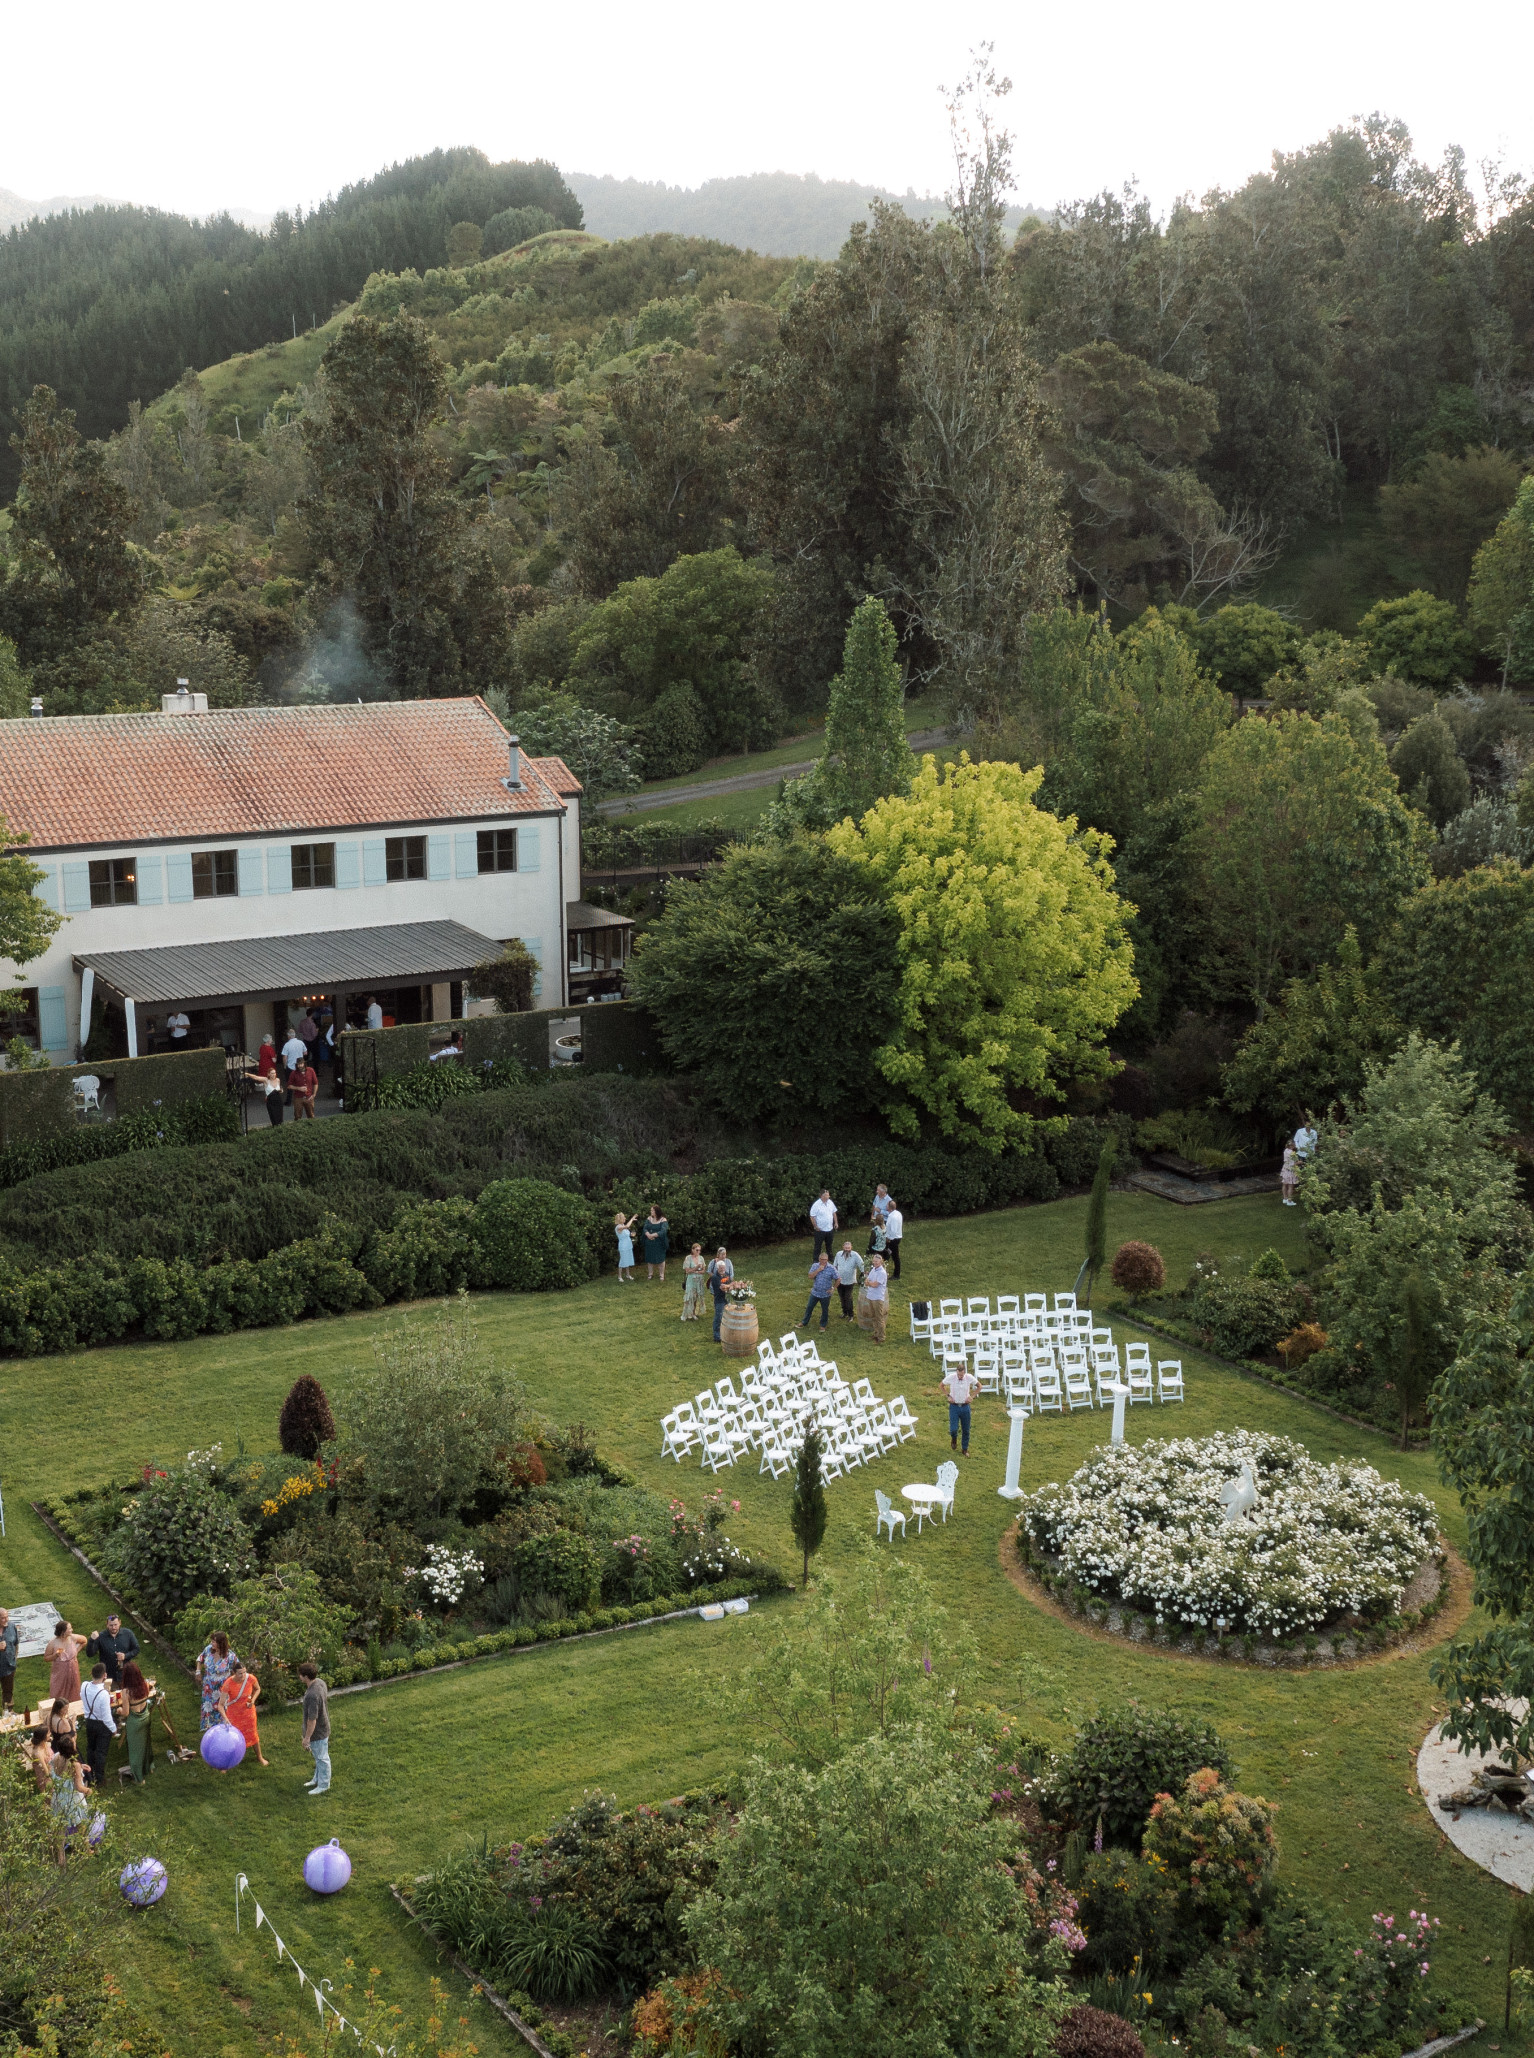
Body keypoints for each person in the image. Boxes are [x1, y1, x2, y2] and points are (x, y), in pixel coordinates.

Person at [219, 1660, 267, 1766]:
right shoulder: (228, 1684)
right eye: (240, 1673)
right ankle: (229, 1761)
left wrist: (253, 1700)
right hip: (234, 1715)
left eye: (244, 1672)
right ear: (234, 1673)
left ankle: (259, 1757)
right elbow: (220, 1705)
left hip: (248, 1713)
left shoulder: (250, 1678)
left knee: (253, 1734)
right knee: (232, 1738)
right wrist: (226, 1718)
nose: (243, 1675)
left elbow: (258, 1689)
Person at [80, 1663, 117, 1789]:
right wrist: (113, 1729)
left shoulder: (84, 1686)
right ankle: (99, 1779)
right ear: (104, 1676)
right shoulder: (103, 1694)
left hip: (89, 1722)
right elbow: (106, 1717)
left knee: (91, 1749)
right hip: (101, 1725)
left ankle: (89, 1776)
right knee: (100, 1752)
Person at [298, 1660, 331, 1794]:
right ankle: (317, 1779)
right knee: (319, 1757)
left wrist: (307, 1738)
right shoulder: (320, 1682)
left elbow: (312, 1719)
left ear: (305, 1677)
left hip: (318, 1732)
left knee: (322, 1758)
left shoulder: (312, 1695)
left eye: (300, 1675)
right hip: (324, 1727)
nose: (299, 1677)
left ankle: (324, 1785)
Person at [196, 1631, 237, 1733]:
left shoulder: (230, 1656)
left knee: (222, 1707)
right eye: (212, 1641)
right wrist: (198, 1671)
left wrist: (235, 1684)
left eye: (214, 1641)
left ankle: (223, 1731)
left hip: (222, 1688)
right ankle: (209, 1730)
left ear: (221, 1643)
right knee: (208, 1707)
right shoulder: (208, 1650)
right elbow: (200, 1658)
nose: (211, 1643)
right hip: (208, 1687)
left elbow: (237, 1669)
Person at [121, 1660, 154, 1785]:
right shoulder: (145, 1684)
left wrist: (118, 1710)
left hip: (134, 1722)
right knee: (145, 1745)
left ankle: (139, 1779)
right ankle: (148, 1767)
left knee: (135, 1751)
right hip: (146, 1716)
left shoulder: (127, 1692)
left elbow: (125, 1712)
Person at [92, 1613, 140, 1687]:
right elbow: (90, 1653)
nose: (113, 1627)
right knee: (110, 1698)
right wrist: (91, 1640)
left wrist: (125, 1656)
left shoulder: (128, 1633)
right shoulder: (101, 1637)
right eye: (111, 1625)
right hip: (109, 1677)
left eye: (115, 1625)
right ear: (107, 1624)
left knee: (126, 1697)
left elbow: (136, 1649)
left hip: (125, 1675)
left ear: (120, 1623)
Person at [44, 1621, 86, 1705]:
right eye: (69, 1628)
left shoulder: (73, 1638)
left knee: (73, 1688)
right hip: (60, 1670)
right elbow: (46, 1658)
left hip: (73, 1668)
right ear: (63, 1631)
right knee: (58, 1688)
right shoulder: (53, 1643)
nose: (72, 1630)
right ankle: (58, 1707)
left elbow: (84, 1640)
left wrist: (76, 1651)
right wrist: (55, 1656)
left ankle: (74, 1707)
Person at [943, 1357, 977, 1455]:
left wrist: (972, 1396)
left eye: (961, 1375)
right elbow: (941, 1385)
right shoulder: (952, 1377)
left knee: (966, 1429)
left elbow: (979, 1386)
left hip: (965, 1406)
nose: (960, 1376)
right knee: (953, 1429)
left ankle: (964, 1449)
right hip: (954, 1406)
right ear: (956, 1372)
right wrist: (948, 1395)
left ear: (964, 1373)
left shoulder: (969, 1377)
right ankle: (954, 1439)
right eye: (958, 1374)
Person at [248, 1045, 284, 1126]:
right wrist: (247, 1074)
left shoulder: (278, 1080)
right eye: (271, 1074)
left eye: (274, 1073)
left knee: (280, 1119)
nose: (273, 1075)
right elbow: (256, 1077)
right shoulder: (266, 1080)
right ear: (268, 1074)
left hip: (278, 1101)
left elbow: (280, 1090)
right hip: (270, 1101)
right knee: (274, 1119)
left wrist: (281, 1090)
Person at [802, 1251, 837, 1331]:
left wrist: (833, 1288)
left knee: (825, 1310)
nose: (824, 1261)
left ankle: (823, 1325)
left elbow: (838, 1278)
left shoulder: (831, 1268)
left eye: (825, 1260)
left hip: (825, 1294)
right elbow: (810, 1276)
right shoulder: (815, 1266)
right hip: (815, 1292)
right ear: (819, 1259)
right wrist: (818, 1270)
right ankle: (804, 1322)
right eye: (822, 1259)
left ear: (827, 1259)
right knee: (809, 1308)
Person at [831, 1240, 864, 1321]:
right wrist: (833, 1275)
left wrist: (864, 1273)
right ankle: (844, 1312)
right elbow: (834, 1265)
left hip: (850, 1281)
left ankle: (851, 1314)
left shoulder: (855, 1255)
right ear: (843, 1247)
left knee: (848, 1297)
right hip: (839, 1280)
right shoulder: (838, 1254)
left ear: (851, 1248)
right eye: (845, 1248)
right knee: (842, 1297)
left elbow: (861, 1264)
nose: (847, 1249)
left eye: (848, 1248)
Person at [708, 1247, 734, 1342]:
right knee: (718, 1317)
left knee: (727, 1316)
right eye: (721, 1268)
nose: (723, 1270)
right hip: (719, 1300)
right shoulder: (715, 1277)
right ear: (718, 1268)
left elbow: (731, 1282)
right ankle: (716, 1336)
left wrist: (730, 1285)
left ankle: (725, 1333)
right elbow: (722, 1287)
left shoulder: (726, 1274)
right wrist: (729, 1286)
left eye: (723, 1268)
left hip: (727, 1299)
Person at [863, 1252, 889, 1344]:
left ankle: (881, 1337)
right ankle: (876, 1333)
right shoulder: (874, 1269)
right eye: (874, 1261)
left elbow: (875, 1284)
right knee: (873, 1316)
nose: (875, 1263)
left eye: (877, 1262)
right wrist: (868, 1282)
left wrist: (869, 1283)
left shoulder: (882, 1272)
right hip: (870, 1296)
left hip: (877, 1298)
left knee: (879, 1317)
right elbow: (868, 1280)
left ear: (881, 1262)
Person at [641, 1203, 670, 1283]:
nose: (651, 1212)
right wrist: (648, 1234)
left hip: (659, 1242)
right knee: (649, 1259)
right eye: (651, 1210)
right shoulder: (649, 1219)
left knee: (660, 1259)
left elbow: (663, 1231)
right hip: (649, 1242)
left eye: (652, 1210)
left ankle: (661, 1275)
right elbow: (645, 1228)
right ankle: (650, 1274)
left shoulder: (663, 1220)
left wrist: (654, 1235)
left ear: (657, 1211)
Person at [809, 1189, 839, 1260]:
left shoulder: (830, 1202)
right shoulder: (816, 1205)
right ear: (822, 1196)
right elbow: (812, 1216)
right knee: (818, 1245)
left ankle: (830, 1257)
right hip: (820, 1229)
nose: (829, 1196)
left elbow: (834, 1212)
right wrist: (815, 1226)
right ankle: (816, 1259)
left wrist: (836, 1222)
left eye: (828, 1195)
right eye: (827, 1195)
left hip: (829, 1228)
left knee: (829, 1245)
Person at [680, 1243, 706, 1321]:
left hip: (699, 1280)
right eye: (697, 1250)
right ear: (693, 1250)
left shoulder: (701, 1258)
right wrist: (696, 1268)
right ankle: (685, 1314)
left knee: (696, 1297)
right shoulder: (688, 1258)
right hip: (691, 1280)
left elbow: (704, 1270)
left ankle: (693, 1313)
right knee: (689, 1297)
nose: (698, 1252)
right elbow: (687, 1271)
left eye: (699, 1250)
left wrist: (699, 1271)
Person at [289, 1055, 319, 1121]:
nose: (300, 1066)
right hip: (298, 1097)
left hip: (309, 1097)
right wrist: (298, 1088)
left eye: (301, 1064)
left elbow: (315, 1083)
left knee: (311, 1115)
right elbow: (289, 1086)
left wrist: (314, 1094)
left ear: (304, 1064)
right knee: (297, 1116)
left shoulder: (311, 1070)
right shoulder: (293, 1073)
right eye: (298, 1064)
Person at [868, 1184, 895, 1252]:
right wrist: (872, 1214)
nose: (876, 1191)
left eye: (878, 1190)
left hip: (883, 1221)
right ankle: (873, 1247)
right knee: (874, 1235)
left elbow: (890, 1213)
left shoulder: (889, 1201)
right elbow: (874, 1205)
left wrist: (880, 1211)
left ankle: (884, 1250)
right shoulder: (877, 1196)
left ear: (883, 1192)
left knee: (882, 1237)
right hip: (875, 1220)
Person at [614, 1211, 639, 1282]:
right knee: (622, 1260)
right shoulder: (618, 1227)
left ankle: (628, 1275)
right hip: (623, 1246)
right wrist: (632, 1218)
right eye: (623, 1217)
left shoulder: (623, 1226)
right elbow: (627, 1226)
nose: (625, 1218)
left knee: (627, 1260)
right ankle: (619, 1276)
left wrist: (632, 1234)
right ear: (620, 1219)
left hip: (628, 1245)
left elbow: (628, 1233)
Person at [0, 1607, 16, 1713]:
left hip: (8, 1666)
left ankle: (8, 1712)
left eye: (7, 1617)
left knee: (8, 1691)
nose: (6, 1620)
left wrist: (14, 1658)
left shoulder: (11, 1626)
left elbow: (16, 1643)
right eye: (2, 1618)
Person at [883, 1202, 904, 1281]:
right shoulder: (897, 1213)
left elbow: (893, 1231)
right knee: (887, 1254)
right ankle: (883, 1270)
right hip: (894, 1238)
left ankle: (896, 1274)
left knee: (895, 1256)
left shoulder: (893, 1217)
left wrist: (888, 1238)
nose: (886, 1206)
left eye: (887, 1205)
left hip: (893, 1239)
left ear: (889, 1207)